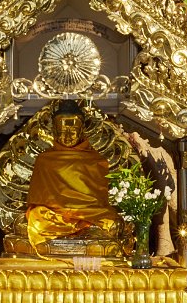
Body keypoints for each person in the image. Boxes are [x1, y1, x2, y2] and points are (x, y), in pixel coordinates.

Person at [26, 100, 119, 248]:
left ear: (81, 130)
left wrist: (81, 213)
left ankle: (80, 235)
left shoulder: (95, 160)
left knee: (112, 222)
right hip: (53, 216)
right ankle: (83, 237)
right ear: (55, 131)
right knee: (34, 218)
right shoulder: (44, 160)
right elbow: (38, 200)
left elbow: (100, 201)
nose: (68, 136)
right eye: (63, 132)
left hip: (90, 214)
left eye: (72, 131)